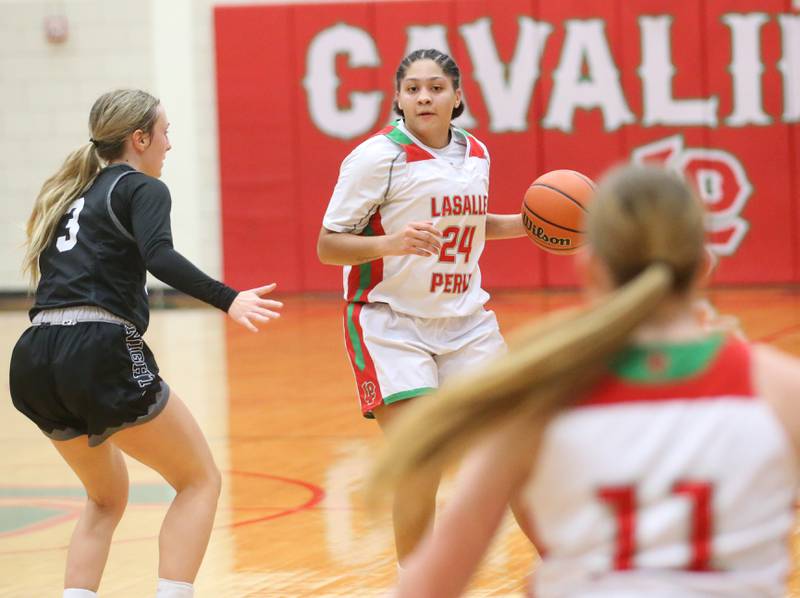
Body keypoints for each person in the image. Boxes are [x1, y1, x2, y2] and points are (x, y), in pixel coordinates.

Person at [368, 164, 800, 597]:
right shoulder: (780, 391)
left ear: (589, 268)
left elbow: (428, 589)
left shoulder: (533, 406)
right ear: (704, 265)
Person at [9, 89, 283, 598]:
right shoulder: (141, 187)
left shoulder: (70, 195)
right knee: (199, 479)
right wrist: (229, 299)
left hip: (33, 355)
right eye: (165, 132)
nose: (169, 145)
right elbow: (160, 257)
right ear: (139, 139)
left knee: (105, 500)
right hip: (98, 345)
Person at [316, 48, 527, 564]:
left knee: (512, 455)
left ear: (458, 96)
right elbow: (328, 245)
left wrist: (533, 224)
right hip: (391, 323)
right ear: (398, 98)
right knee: (422, 460)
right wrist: (393, 243)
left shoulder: (476, 152)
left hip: (467, 323)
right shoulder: (377, 157)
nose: (424, 96)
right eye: (413, 88)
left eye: (436, 87)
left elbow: (476, 226)